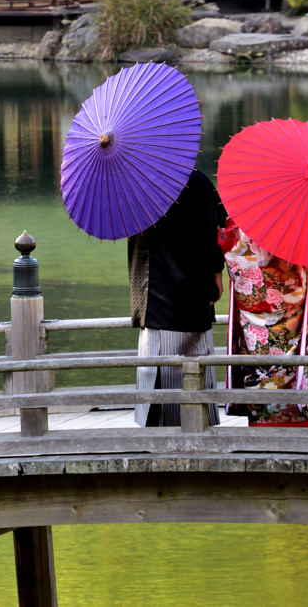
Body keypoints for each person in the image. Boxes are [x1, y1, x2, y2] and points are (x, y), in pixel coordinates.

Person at [130, 168, 227, 427]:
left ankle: (158, 431)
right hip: (191, 284)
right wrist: (217, 272)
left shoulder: (134, 180)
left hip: (149, 289)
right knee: (192, 360)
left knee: (155, 364)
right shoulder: (195, 179)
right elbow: (215, 232)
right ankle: (194, 424)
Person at [219, 217, 308, 426]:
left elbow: (230, 256)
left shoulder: (239, 222)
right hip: (293, 311)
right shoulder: (297, 222)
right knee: (292, 368)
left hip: (253, 314)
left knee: (258, 371)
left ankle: (261, 422)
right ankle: (296, 422)